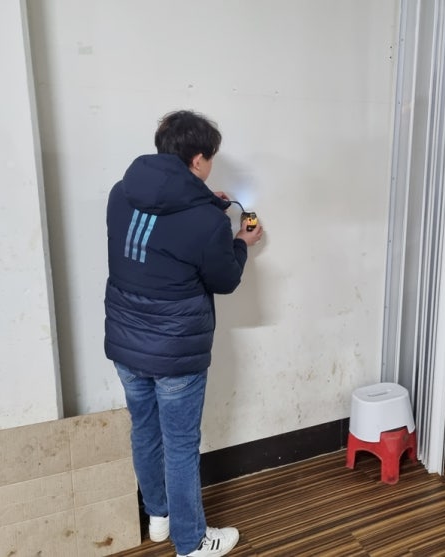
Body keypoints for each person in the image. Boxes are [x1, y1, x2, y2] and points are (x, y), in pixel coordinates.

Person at [104, 109, 263, 557]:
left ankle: (158, 517)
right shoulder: (207, 222)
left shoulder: (120, 193)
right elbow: (224, 279)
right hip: (175, 350)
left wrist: (206, 202)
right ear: (197, 160)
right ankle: (191, 543)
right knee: (180, 446)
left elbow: (161, 233)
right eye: (209, 158)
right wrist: (240, 241)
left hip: (125, 341)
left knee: (145, 431)